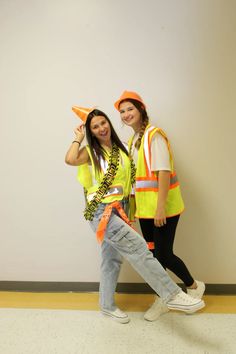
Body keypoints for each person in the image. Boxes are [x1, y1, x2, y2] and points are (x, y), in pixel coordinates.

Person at [65, 105, 205, 324]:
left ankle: (106, 306)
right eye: (95, 127)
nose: (101, 128)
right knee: (139, 248)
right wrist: (78, 138)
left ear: (109, 123)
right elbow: (70, 159)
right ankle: (172, 294)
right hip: (101, 212)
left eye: (103, 123)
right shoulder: (91, 152)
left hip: (119, 209)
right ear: (90, 131)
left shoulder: (121, 149)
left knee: (111, 260)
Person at [114, 91, 205, 322]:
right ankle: (163, 297)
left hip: (163, 209)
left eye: (129, 109)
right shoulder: (134, 141)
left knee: (163, 254)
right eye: (122, 111)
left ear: (141, 109)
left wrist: (160, 207)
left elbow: (163, 172)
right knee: (152, 254)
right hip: (145, 210)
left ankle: (193, 286)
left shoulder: (153, 136)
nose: (125, 114)